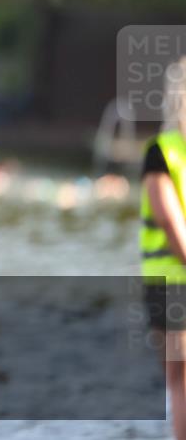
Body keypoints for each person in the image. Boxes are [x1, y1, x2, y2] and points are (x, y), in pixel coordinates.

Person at [140, 56, 186, 440]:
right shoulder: (163, 152)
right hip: (171, 286)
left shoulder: (165, 150)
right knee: (181, 376)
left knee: (180, 379)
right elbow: (171, 225)